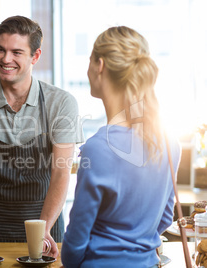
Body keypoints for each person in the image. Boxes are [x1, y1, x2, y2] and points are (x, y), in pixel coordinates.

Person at [0, 15, 83, 257]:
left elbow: (60, 174)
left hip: (46, 224)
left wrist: (42, 231)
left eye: (16, 52)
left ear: (35, 56)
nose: (6, 59)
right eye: (0, 50)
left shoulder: (61, 103)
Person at [61, 26, 181, 268]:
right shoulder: (169, 143)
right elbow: (166, 217)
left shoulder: (97, 148)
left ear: (100, 66)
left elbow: (75, 243)